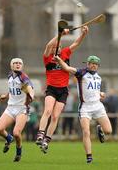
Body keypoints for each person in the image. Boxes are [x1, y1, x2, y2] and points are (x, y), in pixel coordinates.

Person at [36, 25, 89, 153]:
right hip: (51, 89)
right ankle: (40, 134)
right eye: (55, 47)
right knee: (48, 111)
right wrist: (60, 35)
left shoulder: (65, 53)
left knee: (55, 116)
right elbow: (48, 46)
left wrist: (83, 34)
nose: (56, 48)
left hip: (63, 90)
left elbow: (76, 43)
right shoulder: (48, 57)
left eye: (58, 46)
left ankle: (46, 140)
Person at [54, 55, 112, 163]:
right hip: (85, 107)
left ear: (98, 66)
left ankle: (100, 129)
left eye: (95, 64)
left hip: (98, 106)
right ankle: (89, 157)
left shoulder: (98, 77)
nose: (93, 66)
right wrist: (59, 60)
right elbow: (67, 68)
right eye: (91, 63)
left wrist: (100, 93)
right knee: (86, 132)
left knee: (108, 131)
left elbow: (93, 91)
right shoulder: (81, 73)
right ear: (88, 64)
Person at [0, 58, 34, 162]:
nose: (17, 65)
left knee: (16, 132)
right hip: (10, 107)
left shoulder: (23, 77)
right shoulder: (9, 76)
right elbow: (13, 88)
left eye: (20, 63)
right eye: (15, 63)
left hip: (22, 109)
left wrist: (32, 96)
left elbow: (29, 87)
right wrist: (6, 95)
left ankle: (18, 153)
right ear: (11, 65)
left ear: (22, 66)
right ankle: (9, 138)